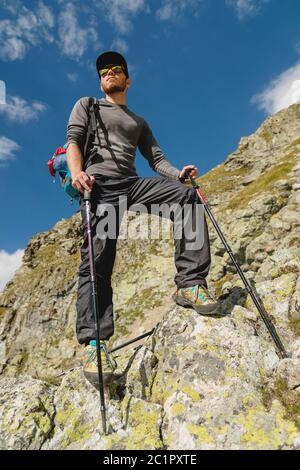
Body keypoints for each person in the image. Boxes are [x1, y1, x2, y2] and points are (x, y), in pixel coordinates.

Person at [66, 51, 220, 384]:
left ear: (127, 79)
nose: (109, 72)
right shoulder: (88, 105)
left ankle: (191, 284)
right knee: (99, 259)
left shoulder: (138, 121)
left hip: (133, 185)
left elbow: (157, 159)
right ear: (100, 80)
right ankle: (96, 344)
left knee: (187, 197)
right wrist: (78, 173)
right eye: (104, 70)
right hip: (100, 187)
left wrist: (178, 174)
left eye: (116, 68)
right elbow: (73, 142)